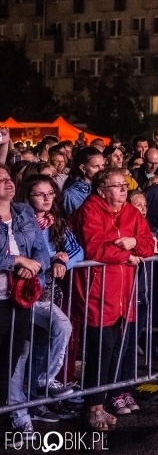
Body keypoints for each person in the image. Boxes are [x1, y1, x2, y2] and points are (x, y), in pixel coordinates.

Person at [70, 168, 155, 430]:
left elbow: (149, 243)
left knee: (115, 350)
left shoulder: (130, 212)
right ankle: (92, 407)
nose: (123, 190)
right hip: (97, 292)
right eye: (116, 186)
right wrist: (126, 255)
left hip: (123, 294)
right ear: (101, 190)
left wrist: (131, 243)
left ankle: (103, 402)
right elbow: (95, 247)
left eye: (124, 185)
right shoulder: (90, 210)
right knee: (99, 351)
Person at [8, 175, 83, 429]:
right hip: (20, 294)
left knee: (38, 345)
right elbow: (24, 254)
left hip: (43, 292)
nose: (47, 198)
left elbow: (76, 250)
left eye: (50, 193)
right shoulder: (23, 221)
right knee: (21, 353)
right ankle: (20, 412)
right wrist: (50, 259)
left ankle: (36, 399)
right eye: (40, 194)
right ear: (27, 198)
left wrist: (63, 260)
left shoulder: (56, 222)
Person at [0, 165, 51, 440]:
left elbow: (41, 252)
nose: (8, 183)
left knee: (11, 358)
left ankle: (12, 411)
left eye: (9, 178)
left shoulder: (23, 212)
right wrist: (18, 260)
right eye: (1, 180)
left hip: (19, 297)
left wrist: (35, 266)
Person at [62, 146, 104, 217]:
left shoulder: (105, 188)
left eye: (103, 166)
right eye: (96, 166)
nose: (101, 170)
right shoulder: (70, 195)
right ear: (83, 168)